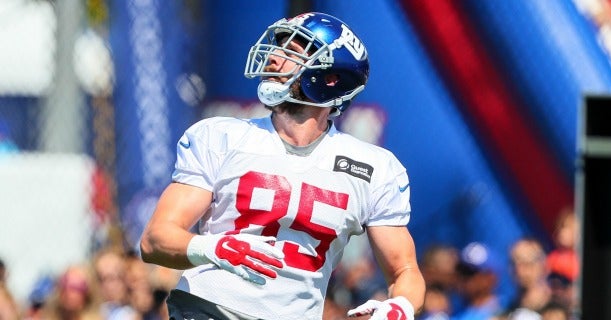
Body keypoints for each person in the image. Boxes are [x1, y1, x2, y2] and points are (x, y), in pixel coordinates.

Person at [140, 11, 425, 320]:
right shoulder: (221, 137)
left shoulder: (374, 168)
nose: (274, 58)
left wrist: (400, 307)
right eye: (277, 46)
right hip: (210, 308)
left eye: (294, 50)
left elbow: (405, 270)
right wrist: (215, 249)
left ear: (330, 77)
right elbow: (156, 238)